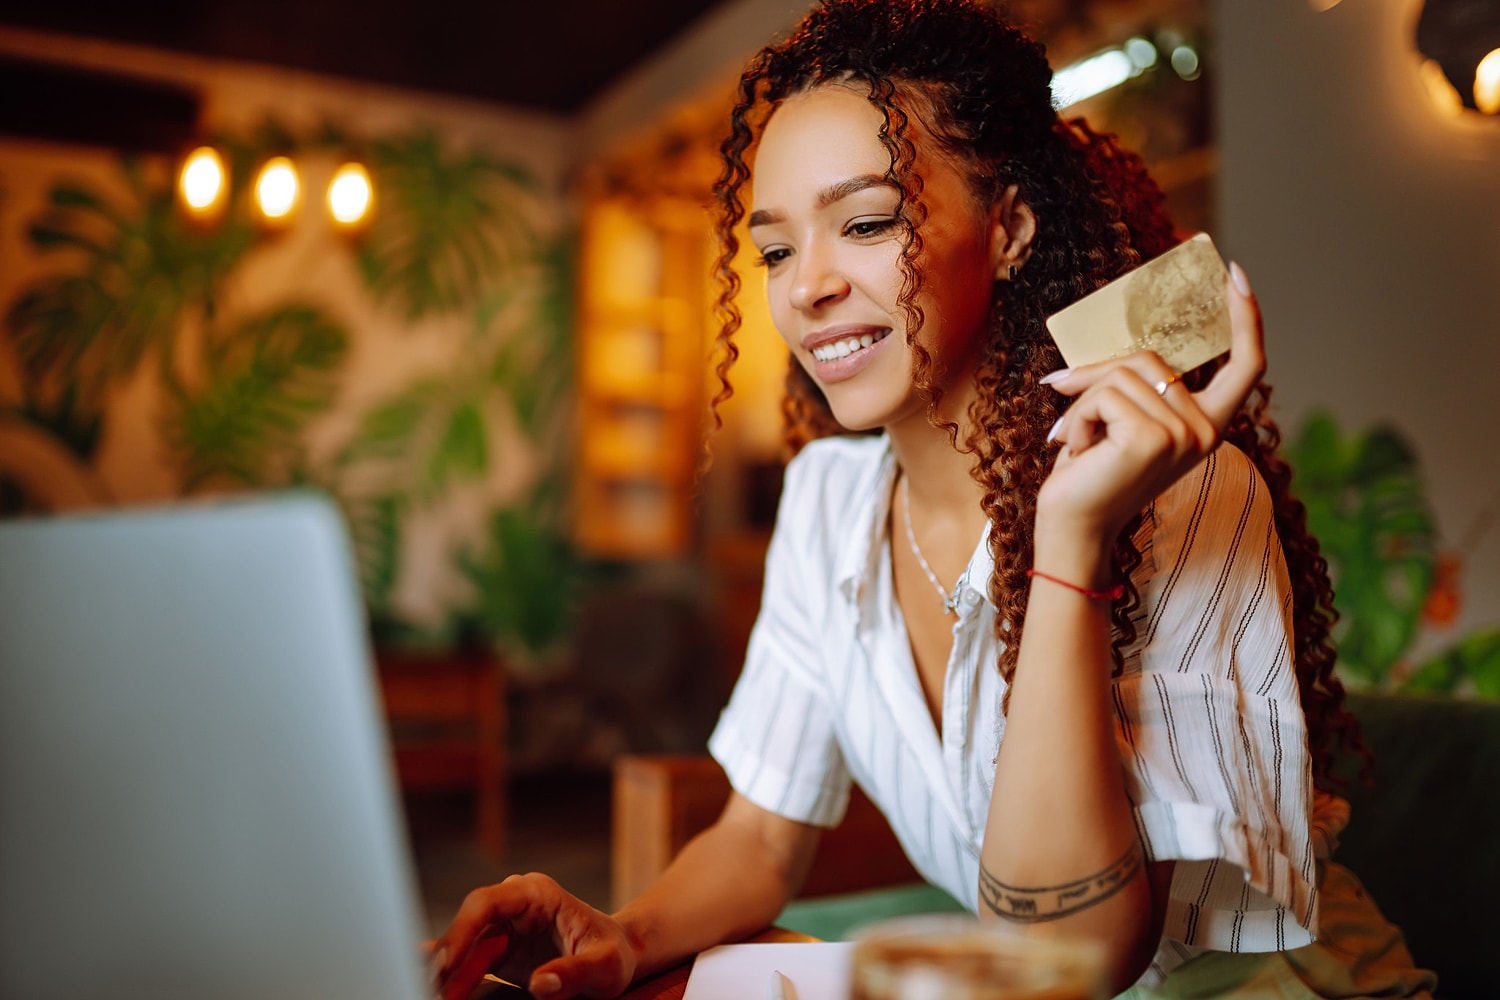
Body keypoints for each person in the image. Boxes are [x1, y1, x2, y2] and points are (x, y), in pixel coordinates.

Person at [433, 1, 1436, 997]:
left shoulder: (1184, 496)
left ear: (1008, 231)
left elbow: (1080, 955)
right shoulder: (828, 499)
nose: (806, 287)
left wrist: (1072, 541)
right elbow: (761, 833)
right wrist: (622, 933)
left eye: (866, 223)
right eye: (776, 249)